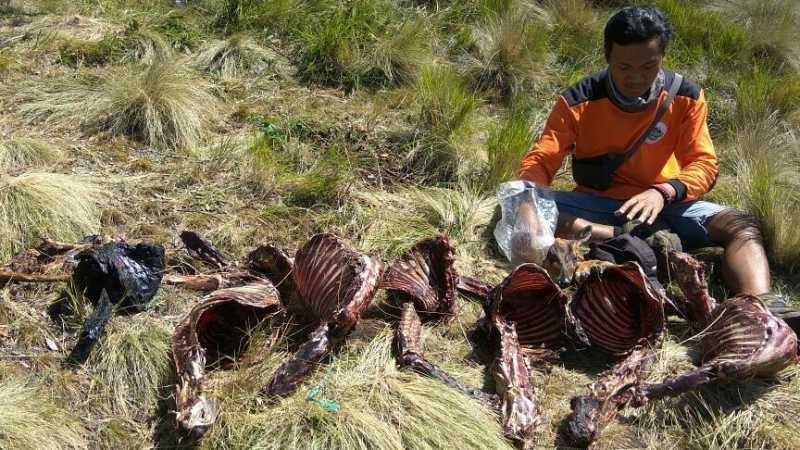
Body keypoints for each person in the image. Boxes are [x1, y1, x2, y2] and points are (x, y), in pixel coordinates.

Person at [516, 5, 798, 325]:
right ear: (607, 55)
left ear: (663, 56)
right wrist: (528, 196)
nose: (636, 77)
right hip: (598, 203)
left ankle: (759, 304)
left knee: (740, 225)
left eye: (649, 66)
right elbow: (542, 158)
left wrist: (663, 191)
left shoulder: (686, 97)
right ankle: (622, 236)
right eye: (623, 67)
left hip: (664, 204)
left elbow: (704, 163)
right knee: (528, 207)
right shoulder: (578, 100)